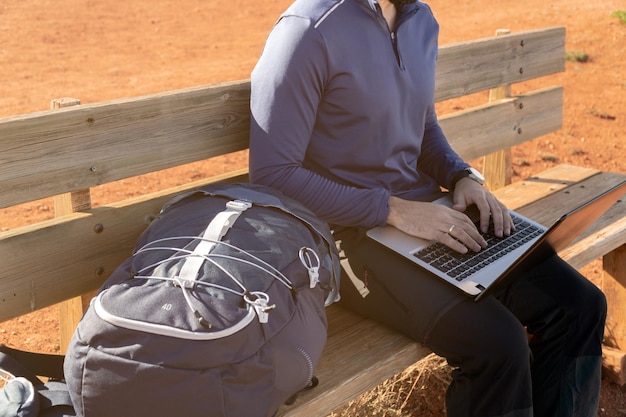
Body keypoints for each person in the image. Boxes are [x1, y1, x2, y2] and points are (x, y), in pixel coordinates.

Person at [248, 0, 607, 416]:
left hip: (428, 214)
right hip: (344, 238)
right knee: (499, 345)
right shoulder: (306, 31)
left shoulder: (419, 18)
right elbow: (273, 175)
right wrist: (393, 210)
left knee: (578, 305)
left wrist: (460, 176)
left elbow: (422, 127)